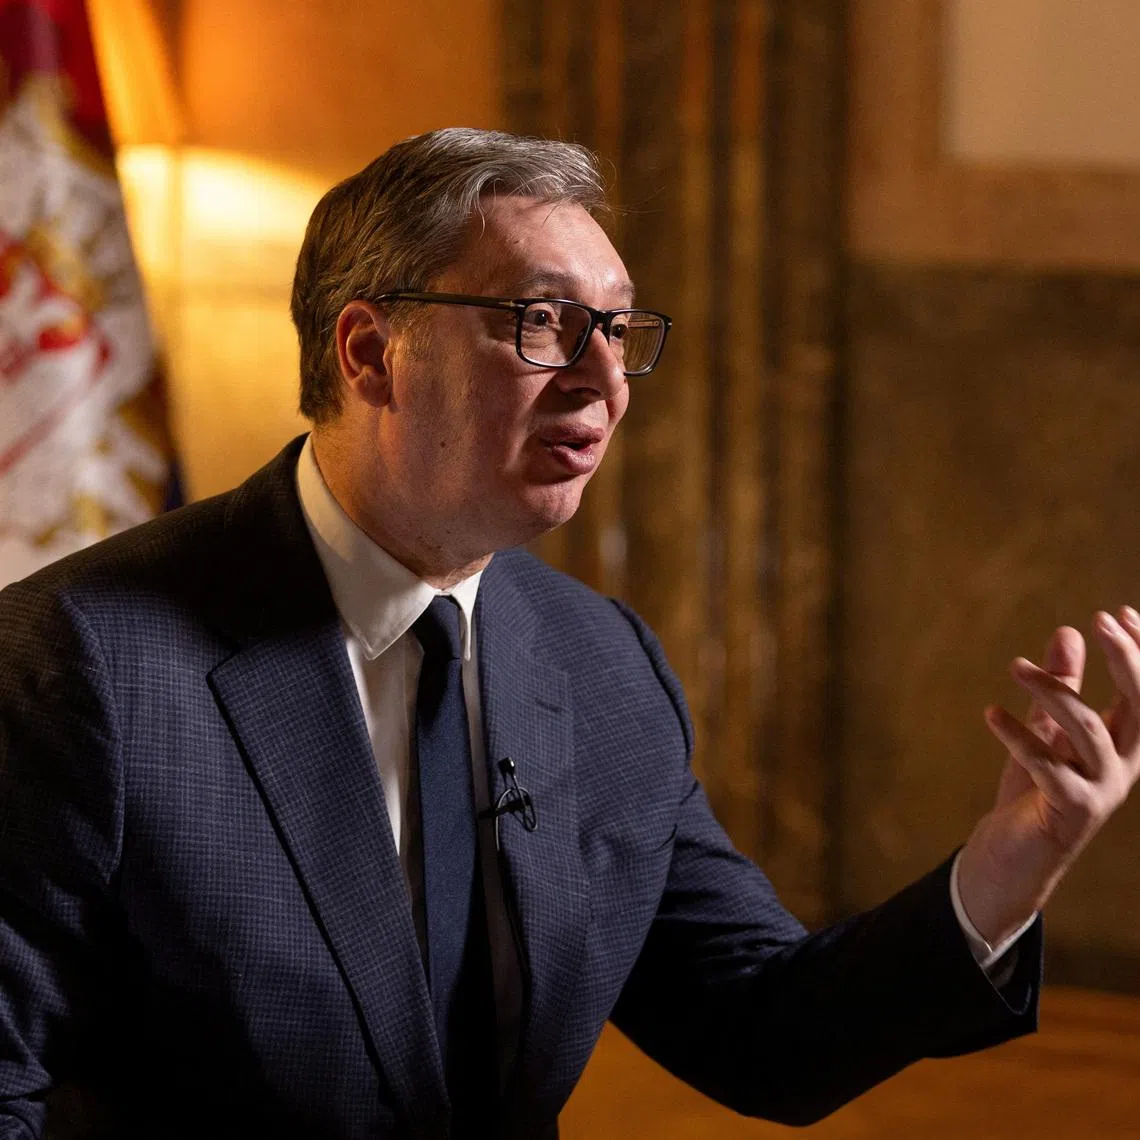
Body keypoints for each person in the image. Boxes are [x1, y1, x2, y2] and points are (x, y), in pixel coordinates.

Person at [0, 127, 1137, 1140]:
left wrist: (1010, 862)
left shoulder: (600, 664)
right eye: (542, 323)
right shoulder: (83, 666)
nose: (603, 379)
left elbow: (766, 1034)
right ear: (367, 353)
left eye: (620, 329)